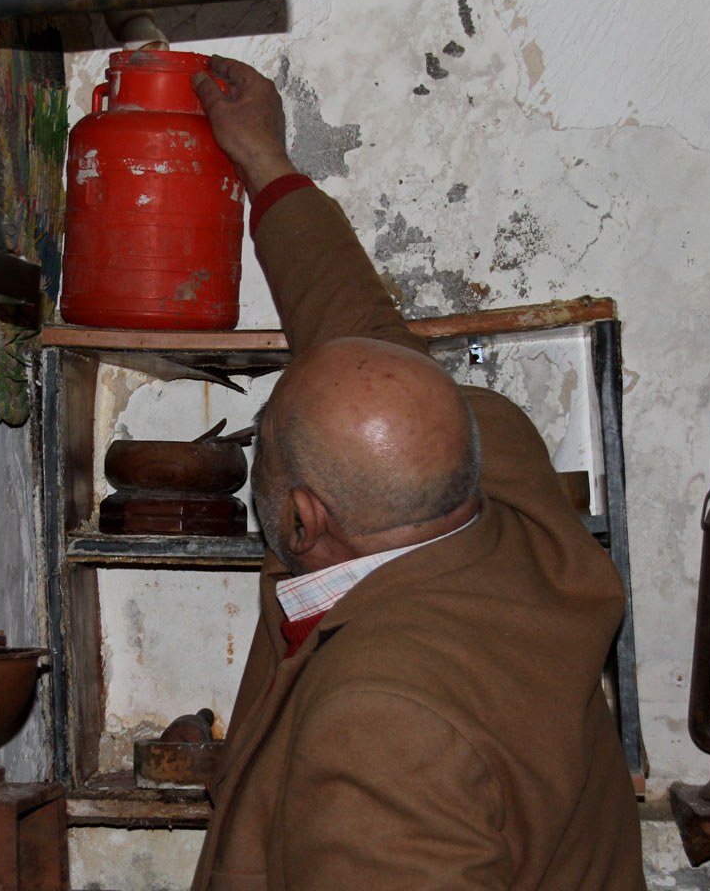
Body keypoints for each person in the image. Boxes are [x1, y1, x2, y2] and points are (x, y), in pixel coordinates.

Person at [186, 55, 645, 891]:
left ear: (303, 521)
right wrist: (265, 163)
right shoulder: (509, 491)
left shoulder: (386, 724)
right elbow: (360, 330)